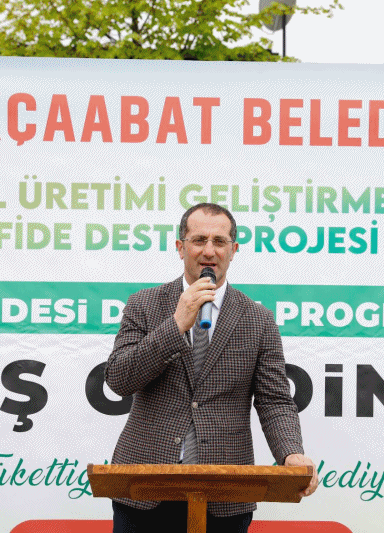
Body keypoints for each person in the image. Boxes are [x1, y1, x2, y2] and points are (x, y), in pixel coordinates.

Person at [105, 202, 318, 533]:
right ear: (180, 247)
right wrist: (176, 324)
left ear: (233, 250)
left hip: (225, 491)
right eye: (198, 240)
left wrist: (291, 453)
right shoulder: (144, 304)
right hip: (144, 487)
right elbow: (119, 379)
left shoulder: (259, 320)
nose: (209, 251)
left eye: (219, 241)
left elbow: (274, 400)